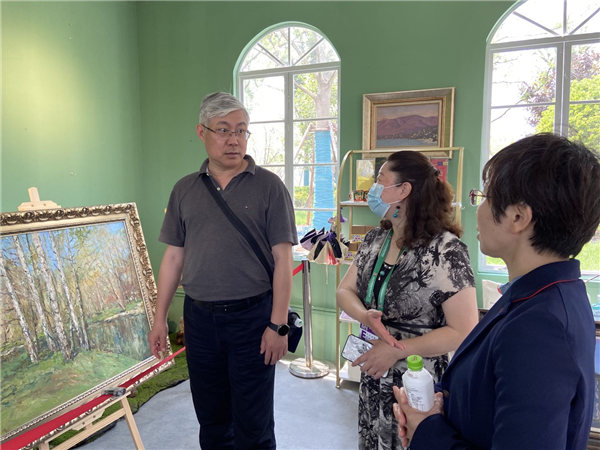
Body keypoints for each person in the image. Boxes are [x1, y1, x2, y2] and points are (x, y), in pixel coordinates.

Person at [394, 133, 600, 449]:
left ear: (518, 217)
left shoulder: (541, 326)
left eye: (485, 196)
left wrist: (426, 430)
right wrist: (438, 409)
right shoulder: (541, 295)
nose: (478, 209)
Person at [148, 92, 297, 449]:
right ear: (202, 132)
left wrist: (278, 325)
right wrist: (159, 318)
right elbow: (173, 258)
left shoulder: (269, 187)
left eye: (241, 130)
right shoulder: (184, 189)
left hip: (253, 319)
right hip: (199, 320)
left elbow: (283, 260)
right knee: (212, 420)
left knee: (254, 424)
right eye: (224, 129)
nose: (234, 139)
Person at [336, 150, 478, 449]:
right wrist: (364, 316)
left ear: (403, 190)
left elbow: (464, 329)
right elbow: (344, 291)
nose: (374, 188)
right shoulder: (375, 239)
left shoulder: (446, 250)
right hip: (375, 373)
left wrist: (395, 350)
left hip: (417, 382)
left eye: (380, 180)